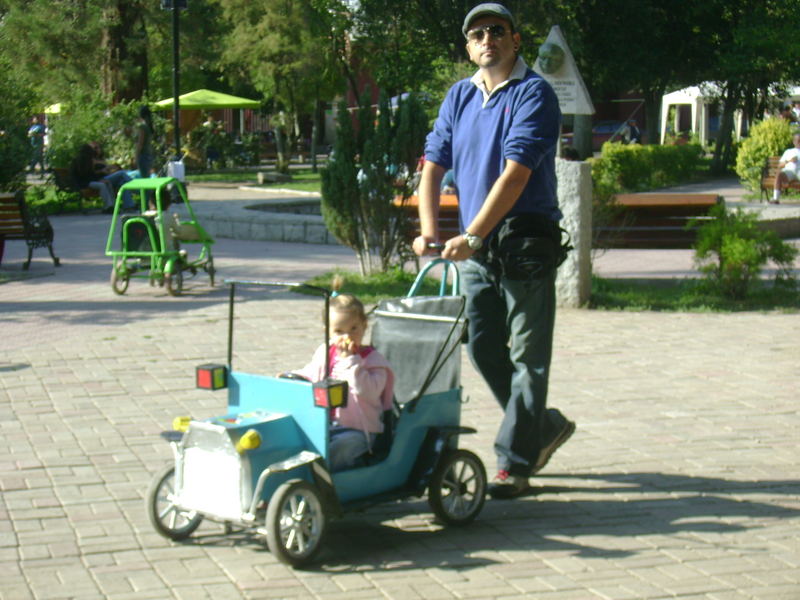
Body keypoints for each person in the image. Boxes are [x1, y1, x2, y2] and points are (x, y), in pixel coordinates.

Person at [412, 3, 575, 499]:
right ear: (468, 46)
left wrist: (475, 234)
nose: (488, 39)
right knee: (482, 345)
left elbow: (517, 173)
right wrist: (429, 231)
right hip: (473, 246)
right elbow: (433, 167)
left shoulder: (534, 93)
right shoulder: (460, 96)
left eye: (497, 31)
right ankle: (539, 428)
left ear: (514, 39)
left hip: (524, 239)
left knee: (528, 355)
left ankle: (516, 464)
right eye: (478, 33)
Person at [288, 290, 395, 472]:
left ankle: (323, 481)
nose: (347, 337)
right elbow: (311, 373)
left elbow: (367, 391)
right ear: (327, 332)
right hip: (326, 424)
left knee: (339, 449)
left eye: (354, 329)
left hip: (361, 431)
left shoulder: (373, 361)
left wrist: (350, 360)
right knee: (297, 439)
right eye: (339, 331)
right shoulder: (326, 352)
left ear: (364, 325)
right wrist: (290, 376)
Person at [772, 132, 800, 204]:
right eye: (798, 141)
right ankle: (775, 199)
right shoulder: (789, 151)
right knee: (779, 174)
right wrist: (789, 161)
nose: (799, 142)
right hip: (789, 172)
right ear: (794, 142)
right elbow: (780, 165)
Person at [135, 105, 155, 177]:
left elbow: (140, 143)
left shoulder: (143, 127)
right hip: (149, 154)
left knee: (144, 177)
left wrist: (136, 156)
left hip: (143, 155)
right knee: (147, 176)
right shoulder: (149, 126)